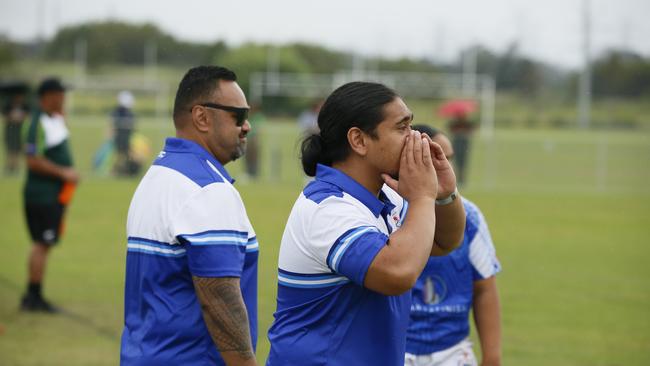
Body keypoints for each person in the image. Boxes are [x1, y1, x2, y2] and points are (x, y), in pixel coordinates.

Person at [266, 82, 466, 366]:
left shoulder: (385, 196)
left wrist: (443, 195)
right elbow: (397, 273)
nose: (415, 138)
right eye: (402, 128)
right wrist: (422, 196)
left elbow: (445, 241)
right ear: (359, 140)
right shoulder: (329, 207)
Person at [120, 66, 259, 366]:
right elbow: (220, 302)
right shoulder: (207, 189)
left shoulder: (158, 175)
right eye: (238, 115)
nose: (246, 126)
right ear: (201, 117)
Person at [405, 124, 502, 366]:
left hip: (453, 353)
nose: (446, 167)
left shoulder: (469, 215)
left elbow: (485, 288)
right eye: (438, 158)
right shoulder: (387, 210)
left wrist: (492, 357)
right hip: (395, 350)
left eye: (449, 159)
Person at [20, 77, 79, 312]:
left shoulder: (54, 119)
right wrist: (64, 172)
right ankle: (33, 297)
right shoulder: (36, 122)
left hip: (53, 197)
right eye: (61, 94)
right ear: (49, 96)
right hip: (41, 197)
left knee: (45, 244)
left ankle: (33, 295)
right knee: (41, 244)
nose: (64, 98)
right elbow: (33, 160)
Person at [2, 90, 29, 175]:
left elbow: (28, 116)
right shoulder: (8, 105)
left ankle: (16, 166)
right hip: (10, 129)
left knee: (18, 148)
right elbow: (4, 115)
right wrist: (11, 117)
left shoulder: (25, 106)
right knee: (10, 148)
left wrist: (21, 117)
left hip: (20, 130)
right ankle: (10, 166)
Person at [111, 90, 136, 176]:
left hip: (126, 137)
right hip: (121, 137)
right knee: (121, 154)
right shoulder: (117, 112)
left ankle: (122, 170)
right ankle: (117, 170)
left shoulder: (129, 114)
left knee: (125, 154)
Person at [447, 113, 475, 187]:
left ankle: (462, 180)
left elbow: (471, 131)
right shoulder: (454, 123)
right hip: (456, 145)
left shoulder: (467, 123)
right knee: (455, 163)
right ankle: (455, 180)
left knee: (463, 164)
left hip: (464, 145)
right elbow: (450, 130)